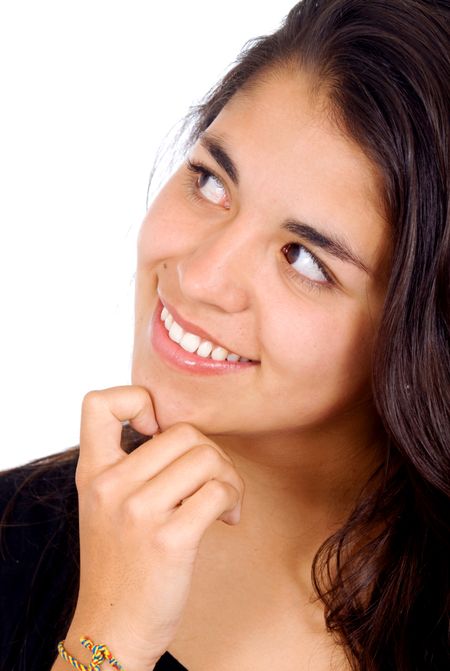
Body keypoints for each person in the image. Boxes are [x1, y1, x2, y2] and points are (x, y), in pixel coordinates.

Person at [1, 0, 449, 669]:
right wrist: (106, 639)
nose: (200, 275)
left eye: (304, 259)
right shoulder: (11, 540)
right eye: (210, 182)